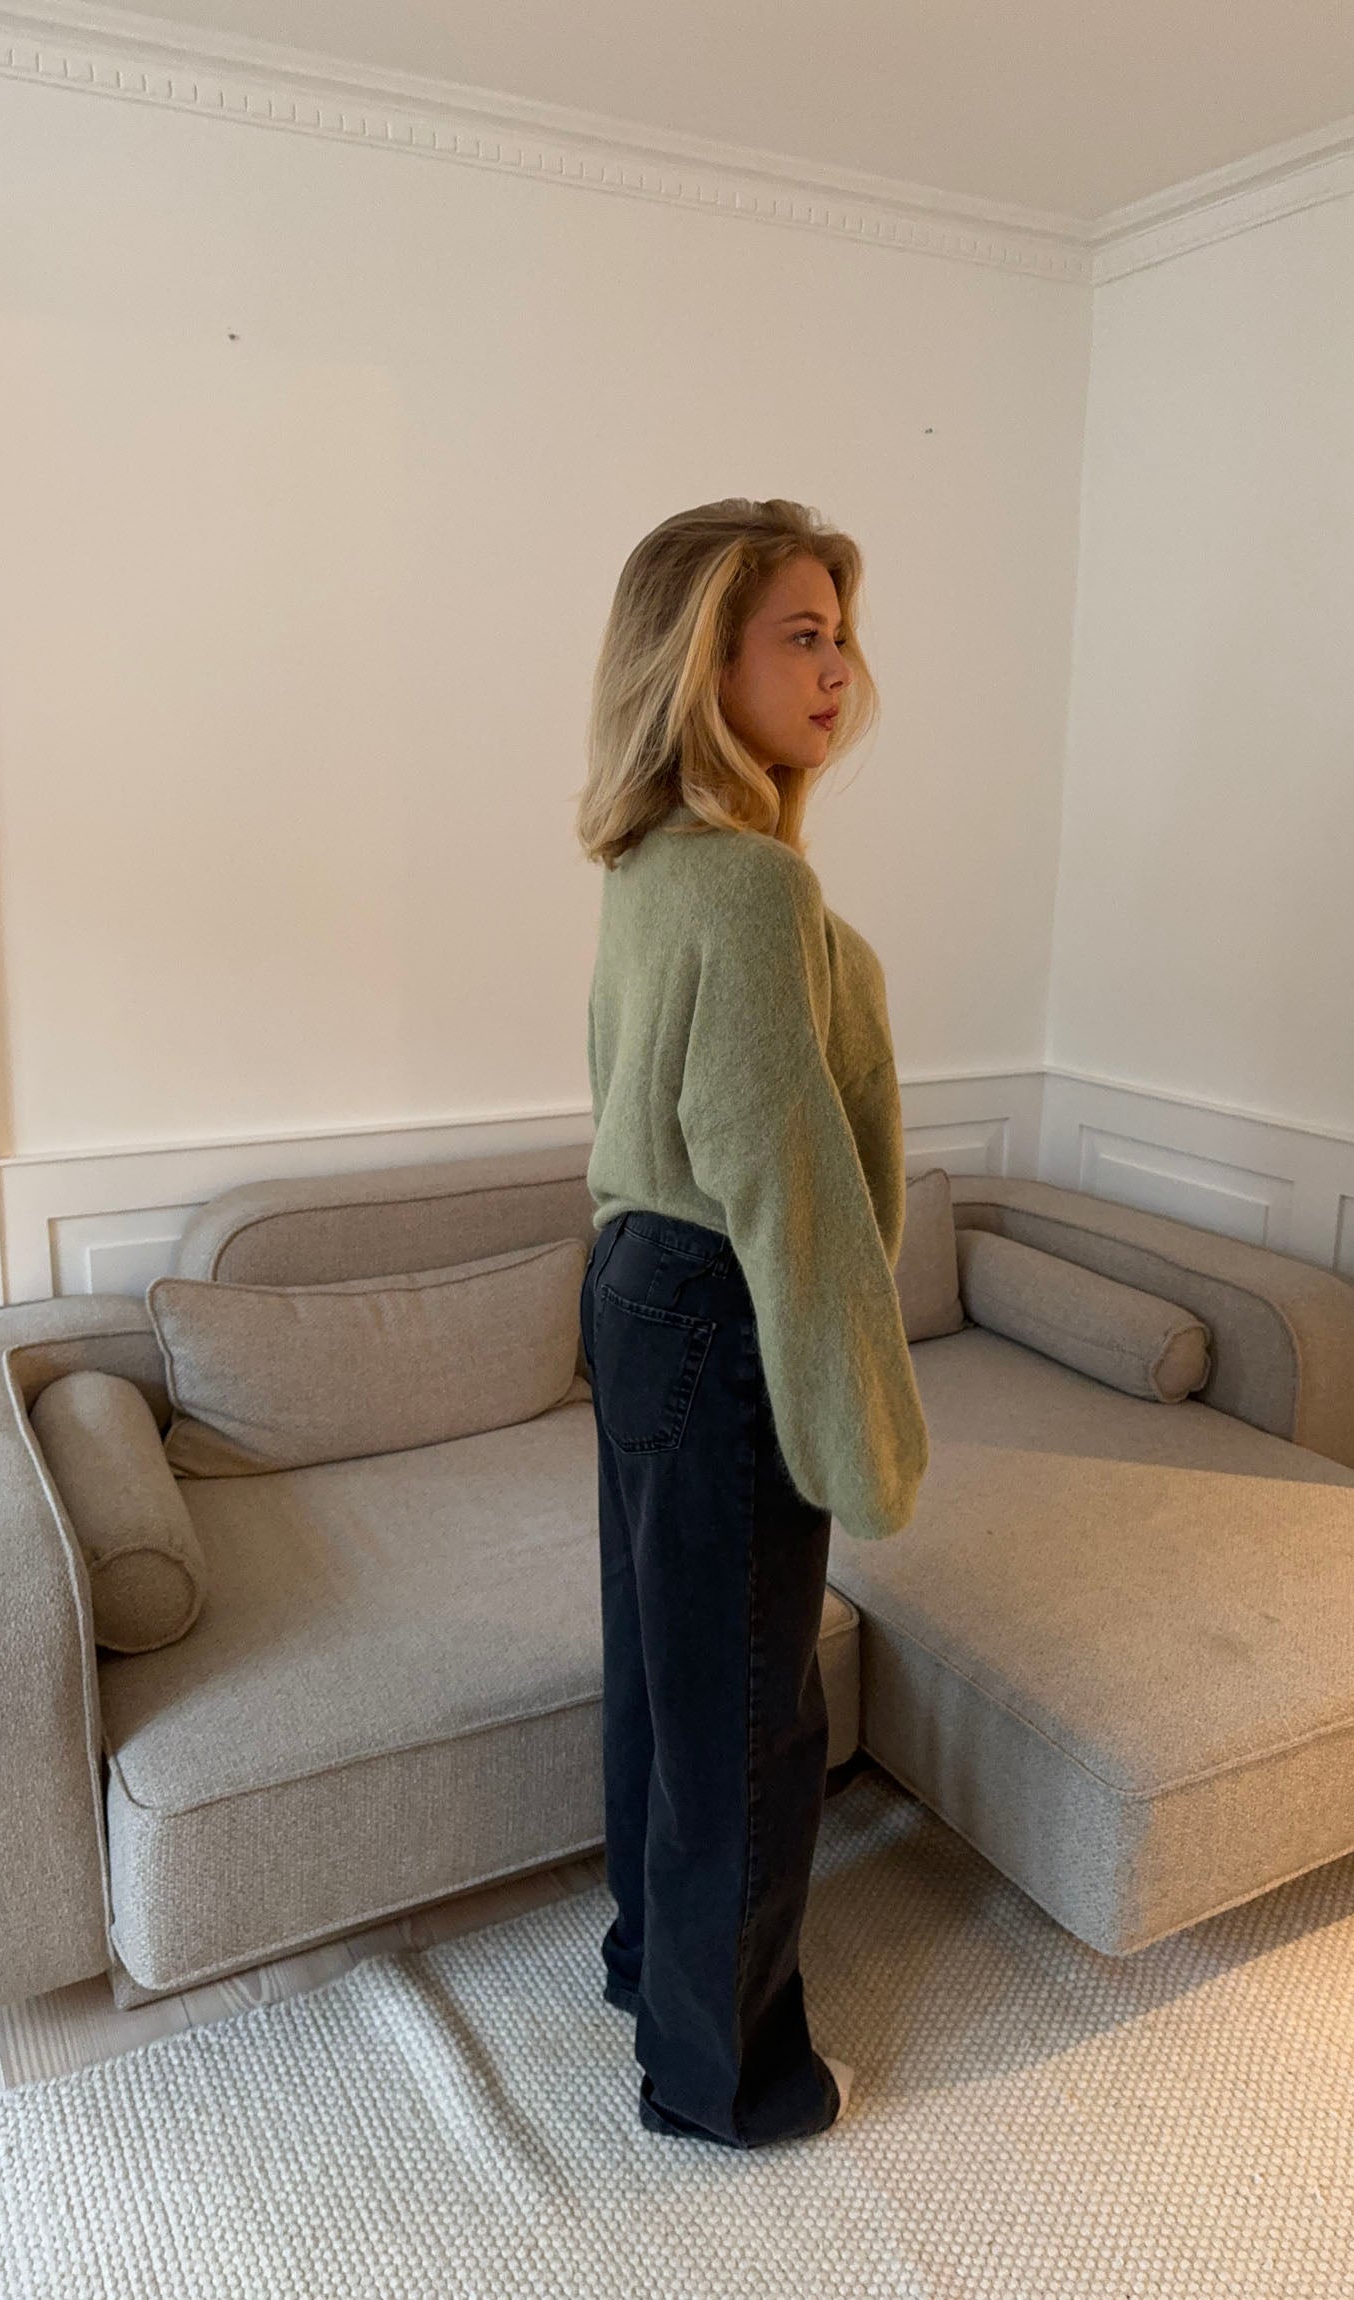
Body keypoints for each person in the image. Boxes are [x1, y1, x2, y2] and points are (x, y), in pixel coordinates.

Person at [574, 498, 930, 2149]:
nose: (837, 669)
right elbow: (784, 1177)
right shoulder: (749, 889)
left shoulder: (652, 864)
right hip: (719, 1300)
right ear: (700, 661)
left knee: (667, 1674)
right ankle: (725, 2080)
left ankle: (649, 1965)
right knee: (748, 1711)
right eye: (800, 635)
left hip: (637, 1285)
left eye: (840, 636)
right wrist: (860, 1412)